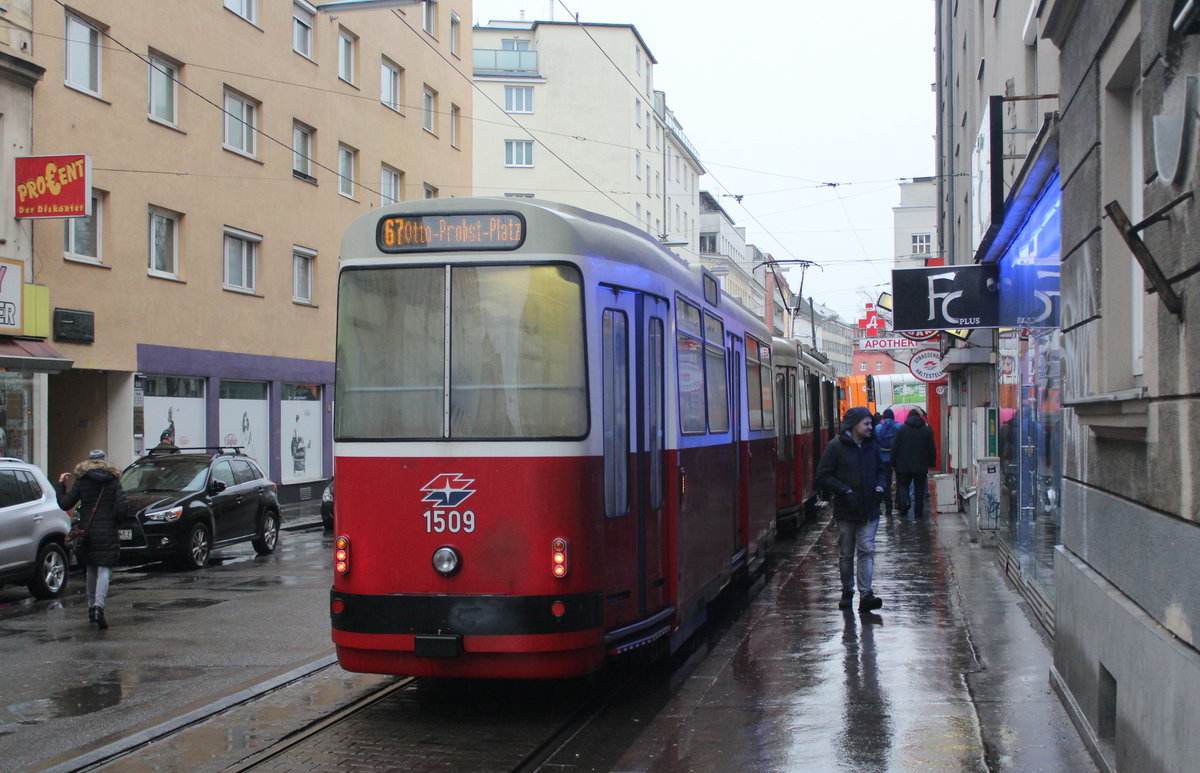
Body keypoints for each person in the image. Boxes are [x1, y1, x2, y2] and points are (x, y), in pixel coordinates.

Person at [817, 406, 886, 612]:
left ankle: (866, 595)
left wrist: (881, 486)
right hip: (847, 510)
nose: (870, 427)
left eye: (870, 423)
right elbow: (823, 476)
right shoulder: (835, 447)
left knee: (866, 550)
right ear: (854, 424)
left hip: (870, 507)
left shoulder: (872, 445)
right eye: (866, 423)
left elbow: (882, 469)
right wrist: (844, 490)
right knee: (846, 553)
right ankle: (847, 591)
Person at [56, 449, 131, 629]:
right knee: (104, 568)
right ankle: (99, 607)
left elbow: (65, 503)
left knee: (90, 568)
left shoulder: (82, 481)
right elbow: (122, 507)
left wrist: (61, 485)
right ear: (106, 461)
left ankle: (91, 608)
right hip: (107, 529)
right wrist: (116, 521)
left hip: (86, 531)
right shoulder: (113, 480)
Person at [891, 407, 938, 518]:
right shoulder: (925, 430)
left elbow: (894, 447)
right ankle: (918, 513)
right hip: (920, 466)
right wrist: (931, 463)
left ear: (908, 418)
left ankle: (905, 504)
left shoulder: (901, 430)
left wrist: (893, 462)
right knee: (919, 490)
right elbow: (932, 448)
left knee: (903, 486)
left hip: (903, 466)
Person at [875, 408, 899, 515]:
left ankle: (888, 508)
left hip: (883, 459)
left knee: (886, 483)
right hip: (897, 459)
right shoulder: (899, 427)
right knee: (900, 482)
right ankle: (899, 503)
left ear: (883, 417)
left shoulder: (878, 428)